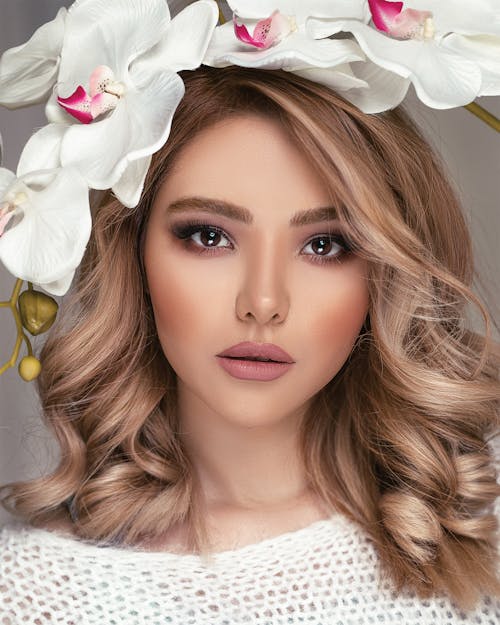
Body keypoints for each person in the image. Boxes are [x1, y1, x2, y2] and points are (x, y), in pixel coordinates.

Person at [0, 2, 499, 624]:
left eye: (324, 245)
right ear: (134, 252)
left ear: (384, 274)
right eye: (209, 236)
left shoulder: (481, 556)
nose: (263, 303)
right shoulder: (27, 596)